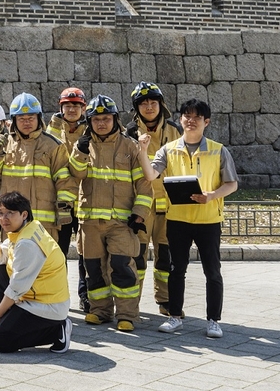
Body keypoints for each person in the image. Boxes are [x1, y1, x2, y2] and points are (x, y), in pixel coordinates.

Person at [145, 99, 238, 339]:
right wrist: (139, 150)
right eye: (187, 116)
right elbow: (151, 173)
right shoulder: (169, 149)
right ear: (181, 119)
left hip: (208, 219)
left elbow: (232, 184)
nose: (191, 120)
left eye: (197, 117)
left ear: (206, 122)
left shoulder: (218, 150)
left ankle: (213, 321)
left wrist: (212, 195)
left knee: (212, 272)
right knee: (176, 269)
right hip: (177, 219)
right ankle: (174, 316)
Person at [68, 95, 153, 331]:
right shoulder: (82, 146)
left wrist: (139, 214)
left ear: (115, 119)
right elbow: (76, 176)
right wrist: (80, 153)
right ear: (90, 121)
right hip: (90, 222)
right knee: (94, 270)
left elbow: (144, 185)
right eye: (96, 119)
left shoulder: (130, 146)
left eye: (106, 118)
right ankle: (100, 311)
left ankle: (126, 314)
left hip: (121, 222)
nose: (101, 123)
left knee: (122, 268)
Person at [0, 192, 72, 354]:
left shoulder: (27, 243)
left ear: (24, 214)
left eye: (10, 213)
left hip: (46, 305)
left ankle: (57, 330)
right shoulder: (29, 227)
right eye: (0, 213)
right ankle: (7, 325)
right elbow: (1, 258)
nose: (4, 218)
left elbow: (17, 288)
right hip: (33, 295)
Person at [125, 82, 182, 314]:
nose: (149, 107)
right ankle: (131, 305)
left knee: (166, 259)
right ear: (136, 108)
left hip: (169, 205)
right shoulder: (128, 133)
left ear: (161, 105)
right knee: (135, 258)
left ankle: (166, 301)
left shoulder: (175, 131)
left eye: (153, 102)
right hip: (141, 206)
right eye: (143, 103)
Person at [0, 93, 71, 239]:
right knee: (14, 260)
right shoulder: (5, 143)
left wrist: (63, 208)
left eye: (31, 118)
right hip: (12, 221)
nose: (26, 122)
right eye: (21, 119)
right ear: (14, 120)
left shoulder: (53, 145)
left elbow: (64, 179)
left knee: (45, 261)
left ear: (39, 118)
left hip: (44, 222)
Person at [46, 86, 89, 309]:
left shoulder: (93, 130)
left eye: (76, 105)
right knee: (58, 251)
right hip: (61, 202)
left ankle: (86, 296)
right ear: (60, 107)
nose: (72, 109)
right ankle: (59, 295)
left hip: (86, 200)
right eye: (67, 105)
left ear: (84, 107)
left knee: (85, 251)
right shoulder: (50, 130)